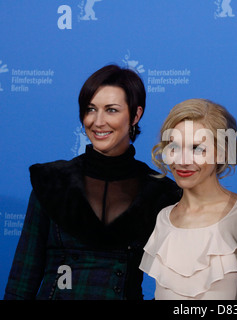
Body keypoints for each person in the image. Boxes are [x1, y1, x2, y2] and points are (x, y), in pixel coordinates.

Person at [4, 64, 180, 300]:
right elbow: (22, 278)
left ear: (136, 115)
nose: (98, 122)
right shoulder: (52, 181)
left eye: (111, 110)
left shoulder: (160, 192)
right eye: (90, 109)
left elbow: (178, 284)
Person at [139, 98, 237, 299]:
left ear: (222, 151)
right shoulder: (163, 218)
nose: (182, 160)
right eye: (174, 147)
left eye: (197, 148)